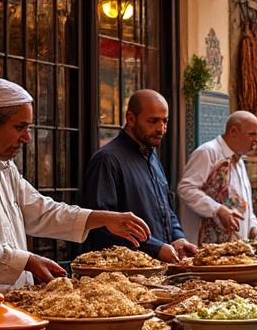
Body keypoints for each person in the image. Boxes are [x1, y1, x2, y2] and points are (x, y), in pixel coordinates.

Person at [0, 78, 150, 301]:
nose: (27, 138)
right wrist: (26, 261)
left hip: (9, 313)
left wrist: (101, 218)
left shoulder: (5, 168)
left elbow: (41, 210)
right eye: (20, 127)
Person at [81, 89, 198, 263]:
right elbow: (102, 224)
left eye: (165, 121)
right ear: (130, 119)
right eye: (153, 121)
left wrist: (178, 237)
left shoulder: (151, 154)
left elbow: (165, 208)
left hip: (159, 270)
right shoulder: (106, 160)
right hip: (121, 276)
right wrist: (155, 247)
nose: (161, 128)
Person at [177, 111, 257, 244]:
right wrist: (217, 209)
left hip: (236, 246)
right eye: (252, 134)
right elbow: (186, 189)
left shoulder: (239, 159)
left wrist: (253, 227)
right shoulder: (208, 152)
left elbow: (244, 203)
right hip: (205, 245)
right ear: (233, 131)